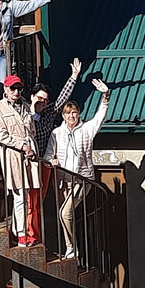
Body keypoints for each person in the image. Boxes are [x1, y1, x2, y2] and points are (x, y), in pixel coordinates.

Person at [46, 78, 111, 259]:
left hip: (82, 179)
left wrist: (105, 95)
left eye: (74, 113)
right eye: (68, 114)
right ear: (63, 116)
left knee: (65, 213)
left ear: (79, 113)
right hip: (63, 181)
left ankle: (72, 248)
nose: (71, 116)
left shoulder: (86, 129)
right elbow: (47, 155)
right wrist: (52, 160)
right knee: (67, 216)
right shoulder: (56, 133)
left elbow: (100, 116)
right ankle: (71, 248)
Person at [27, 58, 82, 244]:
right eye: (39, 98)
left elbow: (62, 99)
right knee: (29, 200)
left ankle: (37, 234)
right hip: (28, 163)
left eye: (45, 100)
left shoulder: (49, 113)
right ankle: (27, 233)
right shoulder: (24, 114)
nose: (42, 102)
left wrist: (74, 76)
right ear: (32, 97)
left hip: (46, 162)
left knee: (40, 200)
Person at [0, 74, 43, 247]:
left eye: (19, 88)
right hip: (13, 154)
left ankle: (18, 231)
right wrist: (22, 146)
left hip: (30, 154)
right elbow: (2, 135)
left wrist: (30, 148)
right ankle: (21, 234)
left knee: (27, 195)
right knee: (19, 195)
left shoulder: (26, 107)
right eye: (12, 88)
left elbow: (32, 130)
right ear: (5, 89)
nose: (16, 91)